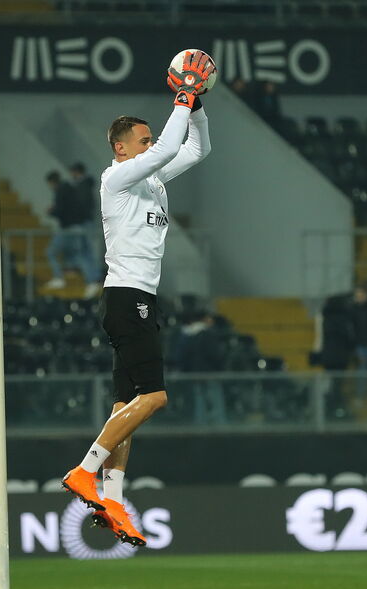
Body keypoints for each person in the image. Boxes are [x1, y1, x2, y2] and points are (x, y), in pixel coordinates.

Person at [60, 50, 214, 547]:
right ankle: (86, 471)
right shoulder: (117, 179)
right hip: (128, 297)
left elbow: (196, 150)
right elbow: (171, 146)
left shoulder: (149, 177)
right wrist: (183, 97)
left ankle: (113, 498)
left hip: (136, 297)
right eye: (144, 141)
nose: (152, 146)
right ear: (123, 149)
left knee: (126, 406)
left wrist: (198, 105)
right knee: (156, 396)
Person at [43, 170, 103, 297]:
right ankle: (92, 279)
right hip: (79, 226)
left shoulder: (62, 191)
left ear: (52, 182)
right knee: (82, 254)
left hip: (69, 228)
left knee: (53, 252)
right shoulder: (71, 188)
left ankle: (63, 278)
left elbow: (61, 211)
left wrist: (51, 212)